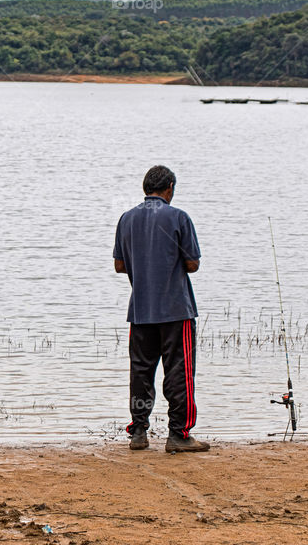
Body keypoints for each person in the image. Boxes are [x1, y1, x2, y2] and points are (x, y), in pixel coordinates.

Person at [113, 165, 209, 453]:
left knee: (141, 372)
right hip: (175, 310)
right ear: (170, 188)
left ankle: (139, 432)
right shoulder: (179, 216)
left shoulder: (126, 218)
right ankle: (178, 434)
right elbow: (193, 263)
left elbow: (119, 265)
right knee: (179, 373)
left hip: (140, 310)